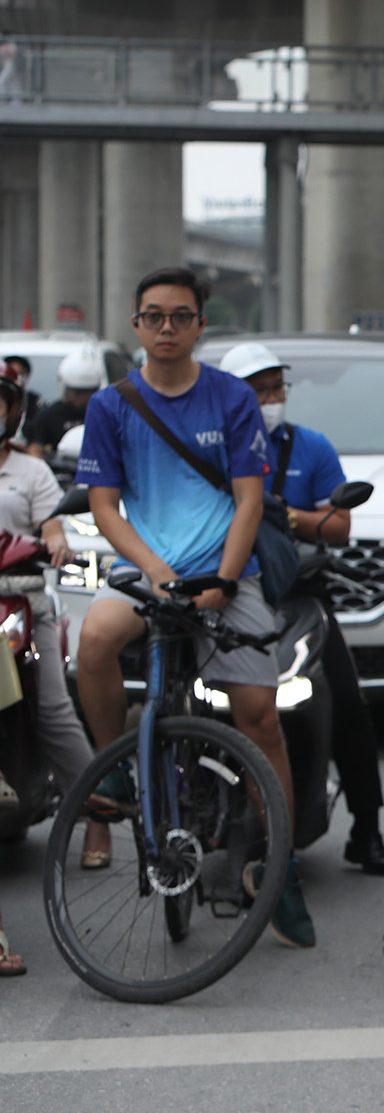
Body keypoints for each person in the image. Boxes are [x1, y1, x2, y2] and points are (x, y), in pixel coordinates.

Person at [72, 267, 314, 947]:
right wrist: (155, 572)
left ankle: (280, 865)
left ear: (201, 325)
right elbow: (103, 507)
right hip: (147, 573)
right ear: (136, 323)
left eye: (181, 316)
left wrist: (224, 581)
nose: (168, 328)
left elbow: (247, 500)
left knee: (261, 718)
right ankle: (120, 767)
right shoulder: (111, 405)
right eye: (155, 316)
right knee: (92, 642)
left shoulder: (232, 400)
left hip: (225, 572)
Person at [218, 342, 384, 877]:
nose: (272, 399)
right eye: (260, 390)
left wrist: (277, 515)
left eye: (277, 388)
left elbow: (338, 527)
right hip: (225, 591)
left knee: (346, 700)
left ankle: (366, 829)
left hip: (298, 594)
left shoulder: (311, 448)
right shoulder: (211, 447)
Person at [0, 363, 88, 977]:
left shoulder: (29, 471)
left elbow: (53, 528)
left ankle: (102, 807)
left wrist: (54, 543)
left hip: (23, 608)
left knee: (53, 710)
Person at [25, 351, 102, 459]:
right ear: (65, 389)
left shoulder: (103, 416)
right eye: (77, 392)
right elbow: (35, 450)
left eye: (87, 393)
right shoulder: (47, 416)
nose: (81, 398)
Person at [4, 355, 40, 428]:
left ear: (27, 376)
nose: (16, 378)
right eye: (12, 372)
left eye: (20, 373)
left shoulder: (34, 403)